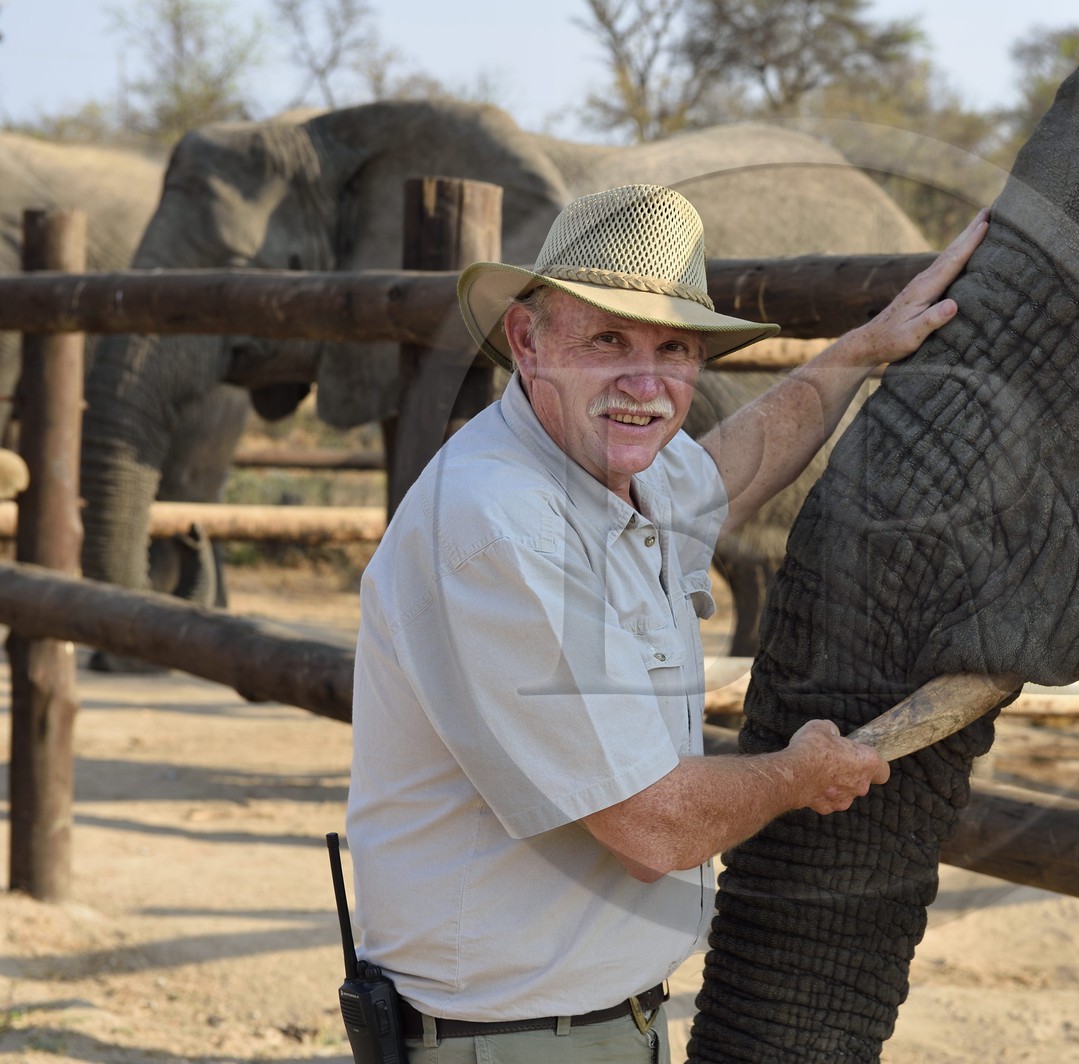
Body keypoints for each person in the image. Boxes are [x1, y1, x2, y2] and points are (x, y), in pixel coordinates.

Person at [345, 182, 988, 1063]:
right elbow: (654, 828)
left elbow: (732, 466)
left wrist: (862, 350)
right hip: (511, 1043)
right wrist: (799, 775)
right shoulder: (504, 526)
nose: (645, 384)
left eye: (674, 349)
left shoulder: (605, 468)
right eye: (607, 339)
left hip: (588, 1024)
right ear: (528, 340)